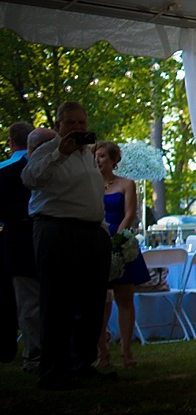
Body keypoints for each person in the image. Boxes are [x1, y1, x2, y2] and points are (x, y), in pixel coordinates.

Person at [22, 103, 113, 391]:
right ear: (60, 125)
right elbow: (30, 179)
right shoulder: (47, 152)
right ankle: (52, 369)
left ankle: (82, 364)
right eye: (71, 122)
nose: (77, 127)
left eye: (82, 122)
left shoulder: (88, 155)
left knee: (91, 302)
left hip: (91, 232)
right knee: (57, 301)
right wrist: (60, 153)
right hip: (57, 230)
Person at [95, 141, 149, 368]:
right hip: (96, 242)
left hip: (120, 242)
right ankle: (102, 353)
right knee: (98, 302)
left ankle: (126, 352)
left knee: (125, 299)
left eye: (103, 156)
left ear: (114, 160)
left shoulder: (127, 184)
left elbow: (130, 214)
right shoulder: (88, 185)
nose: (98, 160)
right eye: (96, 156)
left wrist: (116, 239)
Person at [1, 123, 39, 369]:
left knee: (16, 300)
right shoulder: (8, 171)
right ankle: (32, 353)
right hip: (21, 243)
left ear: (10, 141)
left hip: (18, 243)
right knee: (25, 300)